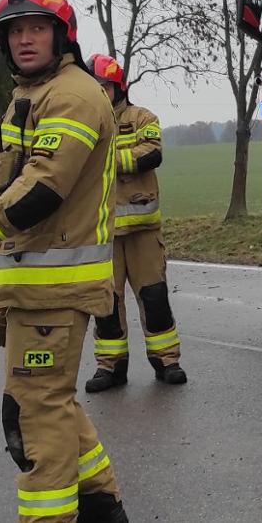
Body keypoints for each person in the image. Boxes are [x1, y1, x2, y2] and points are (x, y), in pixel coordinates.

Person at [0, 0, 129, 523]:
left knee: (35, 417)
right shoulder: (29, 97)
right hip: (35, 292)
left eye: (37, 27)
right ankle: (105, 511)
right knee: (52, 408)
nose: (25, 38)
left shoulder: (74, 95)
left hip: (55, 296)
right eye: (14, 30)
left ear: (62, 36)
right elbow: (9, 189)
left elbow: (42, 189)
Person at [82, 53, 186, 392]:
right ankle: (109, 368)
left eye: (104, 86)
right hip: (103, 234)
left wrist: (104, 161)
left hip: (143, 233)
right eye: (94, 87)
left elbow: (151, 155)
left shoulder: (143, 118)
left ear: (118, 86)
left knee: (154, 298)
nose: (99, 92)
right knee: (106, 306)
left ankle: (167, 362)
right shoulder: (84, 123)